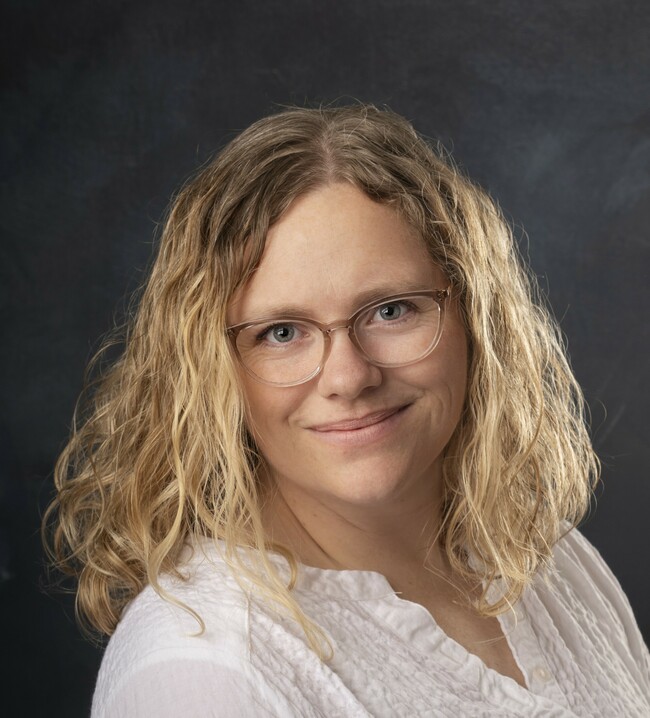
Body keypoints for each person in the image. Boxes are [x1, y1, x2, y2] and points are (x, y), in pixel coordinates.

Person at [44, 104, 650, 717]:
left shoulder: (550, 560)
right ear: (207, 368)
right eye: (281, 332)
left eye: (391, 310)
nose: (348, 377)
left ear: (476, 316)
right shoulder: (205, 675)